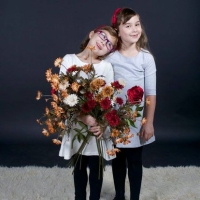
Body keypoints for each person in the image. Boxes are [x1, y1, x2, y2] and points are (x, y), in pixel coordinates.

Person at [59, 25, 118, 200]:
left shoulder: (106, 67)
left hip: (97, 127)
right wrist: (83, 116)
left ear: (109, 51)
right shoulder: (69, 60)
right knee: (79, 165)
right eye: (103, 36)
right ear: (92, 34)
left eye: (109, 44)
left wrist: (102, 123)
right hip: (78, 123)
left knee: (96, 165)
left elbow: (111, 99)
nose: (103, 42)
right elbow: (63, 94)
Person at [105, 8, 157, 200]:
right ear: (117, 30)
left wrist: (149, 122)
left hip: (135, 122)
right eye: (128, 26)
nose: (135, 29)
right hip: (115, 120)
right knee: (118, 160)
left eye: (137, 24)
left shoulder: (146, 58)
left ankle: (134, 197)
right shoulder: (110, 58)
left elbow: (151, 94)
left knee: (135, 160)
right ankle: (119, 195)